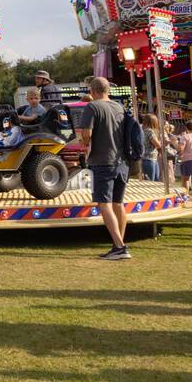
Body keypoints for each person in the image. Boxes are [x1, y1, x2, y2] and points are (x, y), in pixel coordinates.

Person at [77, 76, 130, 259]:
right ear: (108, 90)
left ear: (92, 91)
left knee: (104, 204)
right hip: (122, 161)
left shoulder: (92, 107)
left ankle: (120, 246)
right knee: (118, 203)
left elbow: (86, 134)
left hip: (102, 161)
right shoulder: (119, 107)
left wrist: (84, 143)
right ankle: (119, 245)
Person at [175, 120, 192, 192]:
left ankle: (186, 196)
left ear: (186, 128)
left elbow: (180, 148)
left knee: (185, 179)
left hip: (187, 160)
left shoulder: (185, 137)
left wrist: (175, 143)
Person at [139, 113, 162, 182]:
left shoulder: (142, 130)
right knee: (151, 181)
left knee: (151, 180)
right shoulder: (149, 131)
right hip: (149, 159)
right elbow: (158, 144)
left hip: (148, 158)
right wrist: (161, 140)